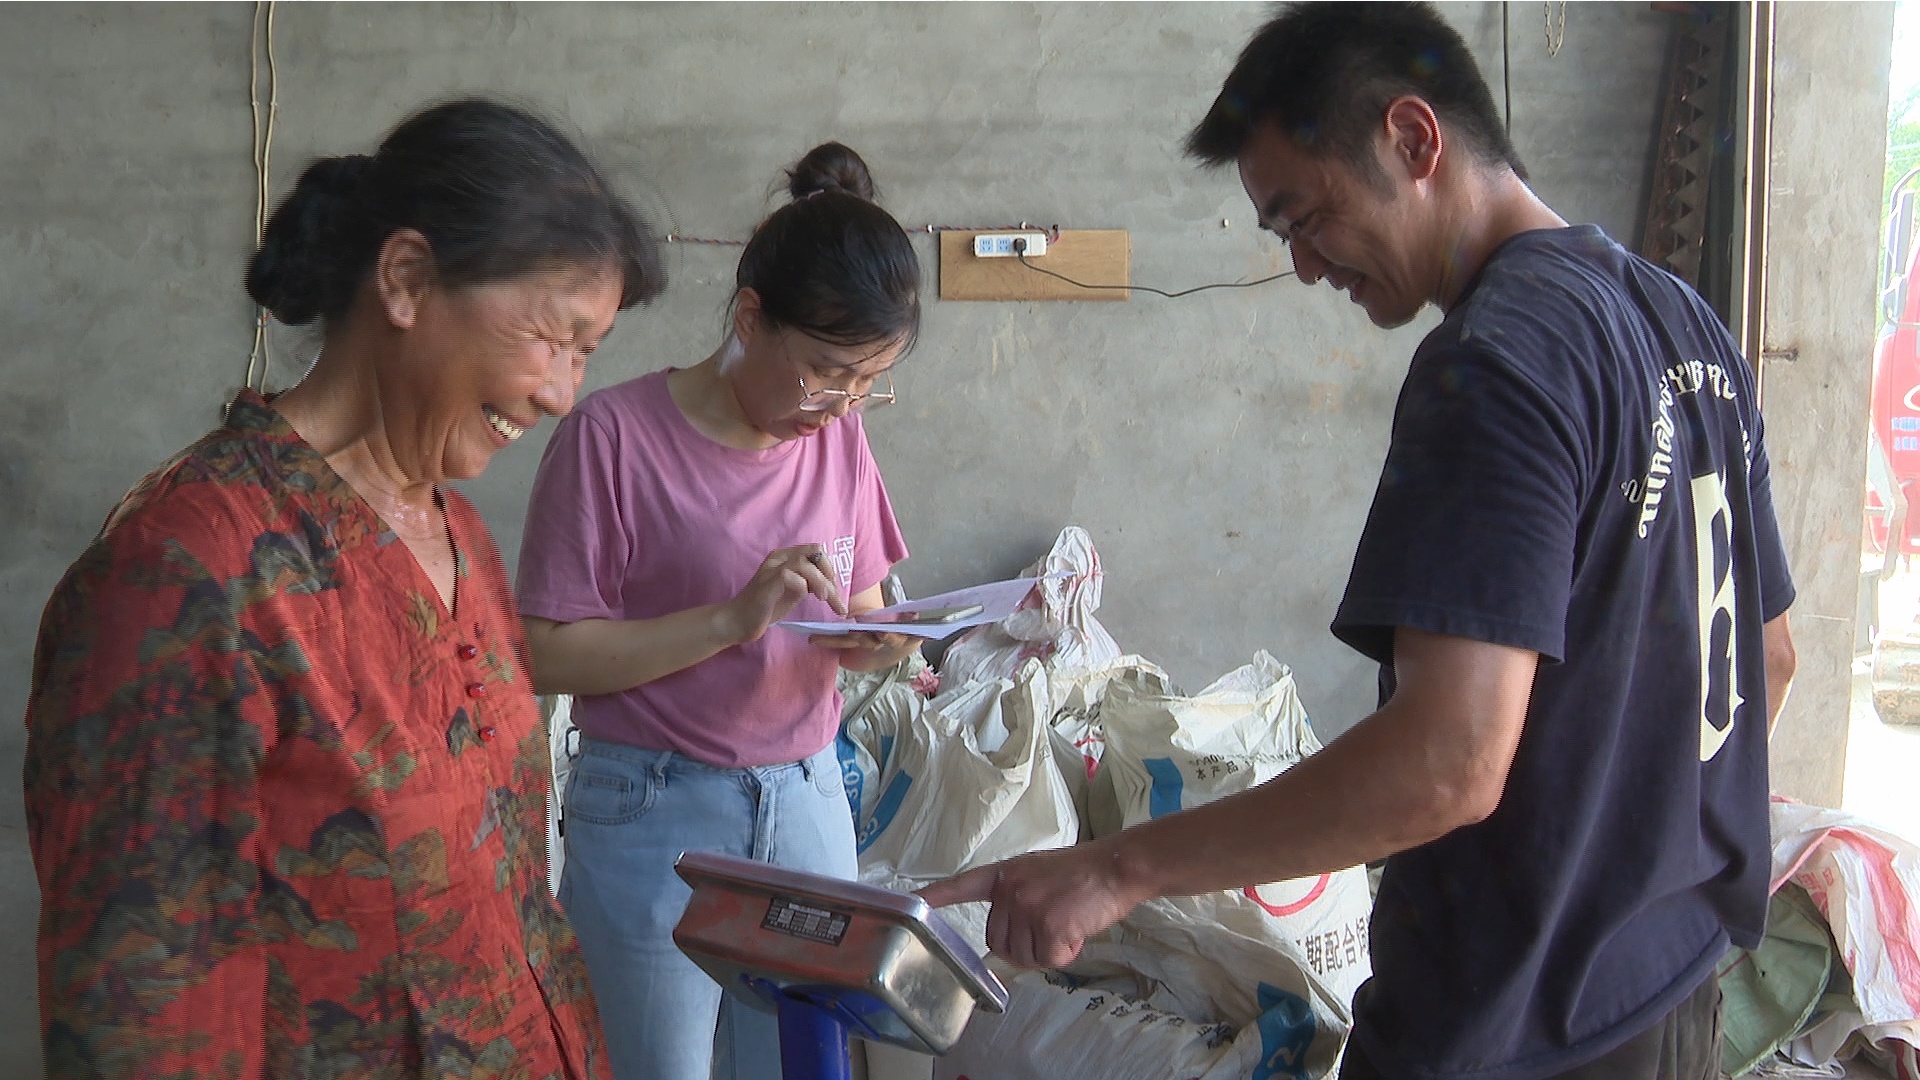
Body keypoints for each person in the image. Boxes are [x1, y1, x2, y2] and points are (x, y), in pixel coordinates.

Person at [921, 5, 1799, 1079]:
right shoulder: (1679, 319)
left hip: (1514, 1026)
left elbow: (1448, 763)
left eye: (1305, 216)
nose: (1303, 267)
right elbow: (1773, 658)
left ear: (1413, 141)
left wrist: (1118, 869)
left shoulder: (1498, 363)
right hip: (1671, 989)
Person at [23, 97, 664, 1079]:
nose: (560, 393)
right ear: (407, 279)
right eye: (553, 337)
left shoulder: (460, 536)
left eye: (588, 353)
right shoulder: (191, 577)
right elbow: (149, 1015)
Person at [514, 141, 923, 1080]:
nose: (840, 404)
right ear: (749, 318)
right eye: (824, 372)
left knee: (803, 1066)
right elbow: (543, 653)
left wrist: (885, 640)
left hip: (810, 796)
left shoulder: (841, 440)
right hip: (655, 807)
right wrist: (730, 622)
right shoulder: (611, 437)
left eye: (867, 382)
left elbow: (859, 610)